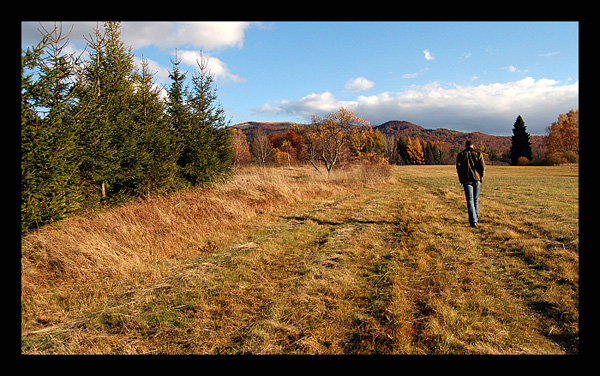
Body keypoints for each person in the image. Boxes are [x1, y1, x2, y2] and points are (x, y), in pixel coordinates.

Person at [456, 140, 486, 227]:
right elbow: (483, 167)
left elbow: (458, 167)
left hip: (466, 179)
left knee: (470, 200)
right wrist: (481, 176)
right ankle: (475, 219)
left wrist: (461, 178)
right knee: (475, 199)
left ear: (465, 146)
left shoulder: (461, 155)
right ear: (473, 146)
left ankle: (473, 220)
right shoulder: (478, 154)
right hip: (477, 179)